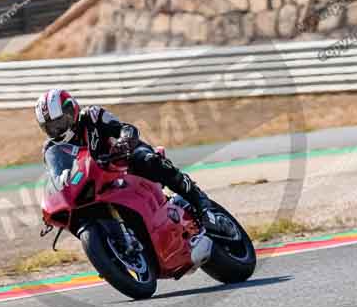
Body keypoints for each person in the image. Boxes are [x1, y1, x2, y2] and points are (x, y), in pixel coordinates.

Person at [35, 87, 234, 236]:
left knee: (146, 159)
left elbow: (127, 129)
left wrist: (123, 142)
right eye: (51, 127)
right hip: (97, 185)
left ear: (72, 112)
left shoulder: (92, 116)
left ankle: (204, 207)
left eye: (60, 123)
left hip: (123, 162)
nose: (57, 130)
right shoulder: (51, 149)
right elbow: (58, 177)